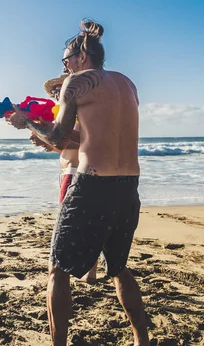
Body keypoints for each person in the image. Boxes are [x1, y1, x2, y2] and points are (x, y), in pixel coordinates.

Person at [10, 19, 150, 346]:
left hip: (92, 186)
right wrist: (40, 129)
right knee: (118, 267)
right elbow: (92, 137)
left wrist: (28, 118)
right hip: (128, 186)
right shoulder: (127, 83)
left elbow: (58, 134)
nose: (64, 67)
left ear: (82, 58)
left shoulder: (76, 83)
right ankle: (142, 341)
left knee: (57, 270)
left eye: (65, 61)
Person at [20, 74, 98, 284]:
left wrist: (48, 137)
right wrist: (48, 143)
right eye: (54, 91)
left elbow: (83, 143)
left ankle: (78, 271)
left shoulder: (78, 114)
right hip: (70, 171)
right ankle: (88, 271)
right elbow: (64, 147)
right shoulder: (65, 115)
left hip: (74, 172)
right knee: (82, 223)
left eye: (59, 89)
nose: (56, 94)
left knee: (71, 224)